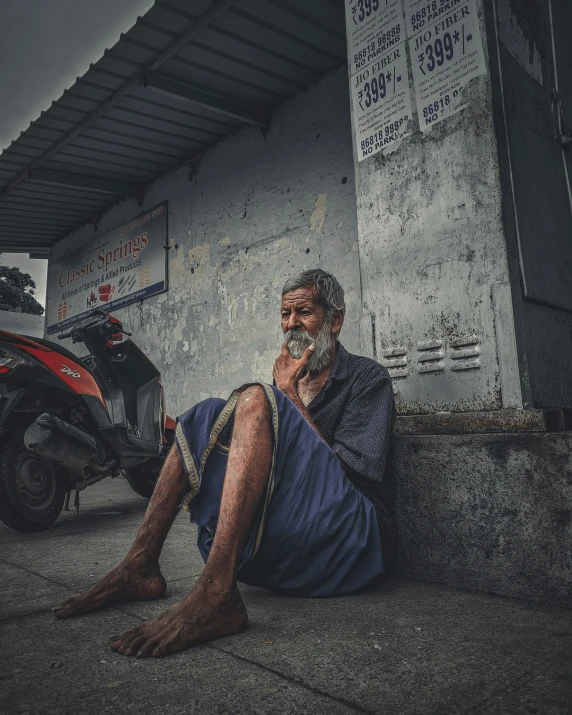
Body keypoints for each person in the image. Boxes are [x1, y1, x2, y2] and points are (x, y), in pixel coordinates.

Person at [54, 269, 398, 658]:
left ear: (334, 320)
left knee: (254, 397)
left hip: (351, 536)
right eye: (285, 314)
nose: (290, 325)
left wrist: (285, 394)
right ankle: (141, 565)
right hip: (292, 535)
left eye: (303, 312)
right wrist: (282, 393)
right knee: (205, 413)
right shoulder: (286, 378)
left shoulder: (368, 378)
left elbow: (347, 473)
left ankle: (216, 592)